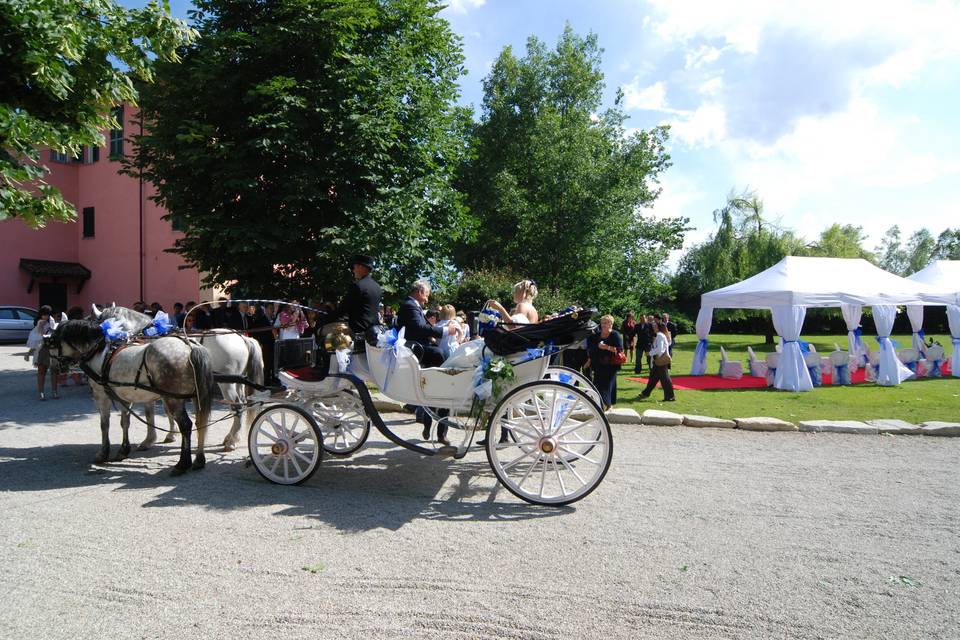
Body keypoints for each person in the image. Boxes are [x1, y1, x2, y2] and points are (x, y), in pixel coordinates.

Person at [397, 280, 462, 444]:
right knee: (441, 362)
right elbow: (419, 328)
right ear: (419, 292)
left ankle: (437, 429)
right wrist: (446, 331)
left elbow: (421, 328)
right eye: (426, 295)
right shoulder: (410, 306)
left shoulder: (412, 306)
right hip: (417, 349)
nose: (426, 299)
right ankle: (446, 379)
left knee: (436, 390)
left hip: (420, 347)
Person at [332, 254, 383, 334]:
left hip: (357, 328)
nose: (353, 270)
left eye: (354, 267)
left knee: (321, 330)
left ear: (361, 267)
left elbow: (343, 309)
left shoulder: (358, 286)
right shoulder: (377, 286)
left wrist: (330, 315)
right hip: (373, 328)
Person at [585, 314, 623, 411]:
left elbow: (619, 350)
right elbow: (591, 349)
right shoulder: (597, 335)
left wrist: (606, 347)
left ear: (611, 324)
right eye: (602, 323)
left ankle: (608, 404)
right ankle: (598, 404)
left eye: (606, 323)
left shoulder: (615, 335)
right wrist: (589, 360)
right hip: (598, 364)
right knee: (597, 383)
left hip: (611, 364)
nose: (603, 325)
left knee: (608, 384)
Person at [638, 318, 675, 402]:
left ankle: (670, 396)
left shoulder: (660, 335)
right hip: (658, 360)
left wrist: (650, 353)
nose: (653, 327)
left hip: (660, 360)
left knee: (664, 379)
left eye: (654, 326)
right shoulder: (660, 335)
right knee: (653, 377)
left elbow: (660, 349)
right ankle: (646, 393)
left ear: (658, 327)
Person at [28, 305, 60, 400]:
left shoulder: (51, 321)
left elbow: (54, 331)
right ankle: (41, 392)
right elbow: (41, 335)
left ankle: (54, 392)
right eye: (44, 314)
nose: (45, 316)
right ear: (41, 314)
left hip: (52, 348)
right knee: (42, 371)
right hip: (42, 348)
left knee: (54, 371)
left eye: (47, 314)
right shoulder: (41, 322)